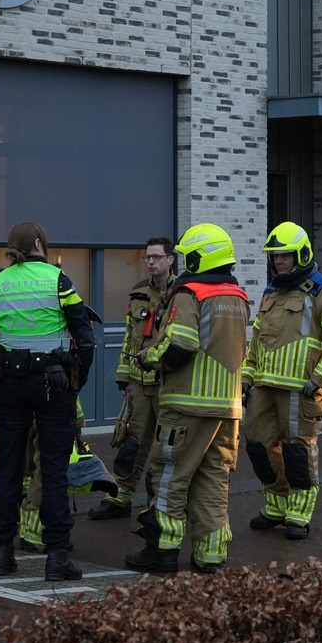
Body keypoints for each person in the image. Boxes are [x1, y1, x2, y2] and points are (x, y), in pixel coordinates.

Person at [0, 221, 93, 581]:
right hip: (53, 384)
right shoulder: (58, 280)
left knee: (8, 466)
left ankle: (3, 554)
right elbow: (84, 338)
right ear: (39, 243)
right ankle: (56, 558)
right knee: (52, 469)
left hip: (7, 383)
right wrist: (77, 382)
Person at [128, 222, 250, 574]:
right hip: (227, 407)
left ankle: (161, 551)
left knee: (169, 477)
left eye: (188, 256)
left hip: (186, 403)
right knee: (213, 480)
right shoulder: (237, 295)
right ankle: (210, 556)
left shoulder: (190, 293)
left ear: (201, 257)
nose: (184, 263)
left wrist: (149, 357)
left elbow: (180, 343)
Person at [243, 221, 322, 540]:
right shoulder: (271, 290)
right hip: (264, 385)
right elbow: (258, 337)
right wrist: (248, 374)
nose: (279, 261)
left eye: (285, 256)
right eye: (275, 256)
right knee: (258, 447)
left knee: (297, 452)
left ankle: (298, 514)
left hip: (300, 389)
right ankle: (275, 506)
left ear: (301, 255)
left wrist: (318, 378)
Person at [89, 236, 177, 520]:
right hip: (139, 384)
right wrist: (123, 375)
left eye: (156, 257)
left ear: (170, 260)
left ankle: (159, 505)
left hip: (168, 384)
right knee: (131, 444)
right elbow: (130, 337)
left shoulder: (183, 294)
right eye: (147, 258)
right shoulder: (138, 292)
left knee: (165, 450)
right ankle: (119, 498)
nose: (151, 262)